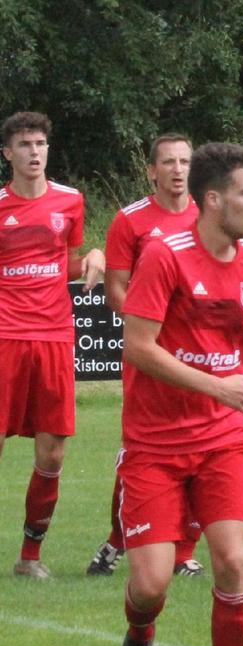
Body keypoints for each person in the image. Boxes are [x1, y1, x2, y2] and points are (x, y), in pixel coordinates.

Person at [109, 142, 243, 646]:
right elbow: (138, 347)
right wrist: (216, 384)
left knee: (233, 565)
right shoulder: (164, 256)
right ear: (213, 200)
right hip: (154, 444)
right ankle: (140, 633)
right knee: (150, 584)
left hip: (223, 440)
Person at [86, 134, 205, 579]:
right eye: (168, 162)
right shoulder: (130, 221)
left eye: (185, 161)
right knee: (143, 451)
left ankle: (182, 551)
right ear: (151, 171)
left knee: (204, 448)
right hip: (149, 353)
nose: (178, 169)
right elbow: (117, 293)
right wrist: (156, 322)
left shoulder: (209, 216)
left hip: (202, 354)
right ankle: (119, 539)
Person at [0, 111, 104, 579]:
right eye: (24, 145)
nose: (34, 152)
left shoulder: (70, 201)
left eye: (40, 144)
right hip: (5, 337)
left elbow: (65, 264)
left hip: (55, 338)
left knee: (53, 453)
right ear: (8, 154)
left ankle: (30, 557)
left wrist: (95, 257)